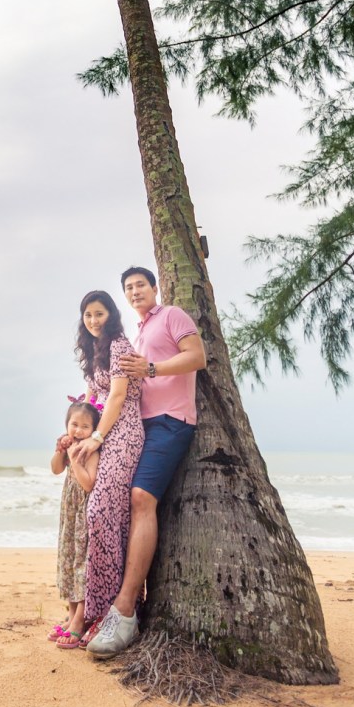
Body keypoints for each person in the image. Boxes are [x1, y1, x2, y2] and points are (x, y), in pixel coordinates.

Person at [83, 266, 206, 659]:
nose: (135, 291)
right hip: (137, 427)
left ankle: (125, 610)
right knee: (115, 504)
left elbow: (198, 357)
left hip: (170, 420)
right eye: (128, 288)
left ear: (155, 287)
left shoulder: (172, 315)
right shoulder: (132, 335)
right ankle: (101, 605)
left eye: (140, 285)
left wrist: (151, 368)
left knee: (140, 499)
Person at [68, 290, 145, 644]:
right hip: (101, 431)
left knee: (101, 511)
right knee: (102, 513)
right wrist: (75, 433)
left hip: (124, 431)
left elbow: (115, 396)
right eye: (88, 315)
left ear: (110, 314)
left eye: (99, 313)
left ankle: (104, 611)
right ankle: (92, 611)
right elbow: (90, 399)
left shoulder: (117, 345)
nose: (93, 320)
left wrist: (96, 438)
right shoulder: (93, 351)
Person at [48, 400, 101, 649]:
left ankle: (80, 619)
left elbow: (88, 484)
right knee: (69, 561)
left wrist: (75, 459)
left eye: (85, 426)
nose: (78, 431)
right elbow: (56, 469)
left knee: (81, 562)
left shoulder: (90, 451)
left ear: (94, 429)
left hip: (82, 514)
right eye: (74, 424)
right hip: (68, 515)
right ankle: (71, 617)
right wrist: (61, 451)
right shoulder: (69, 447)